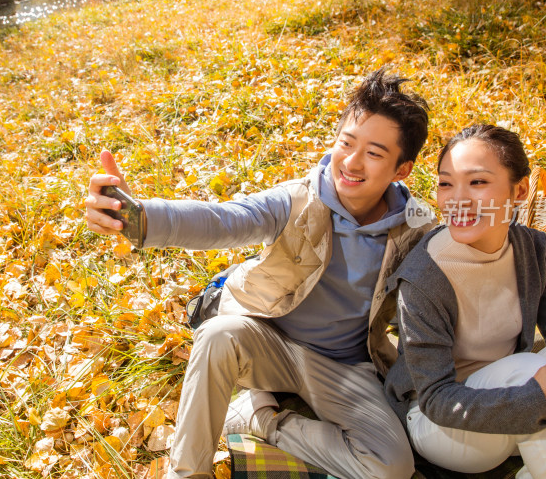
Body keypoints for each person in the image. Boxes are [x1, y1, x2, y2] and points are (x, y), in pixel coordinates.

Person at [85, 68, 435, 479]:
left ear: (401, 170)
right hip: (268, 341)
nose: (352, 162)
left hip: (344, 366)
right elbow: (225, 220)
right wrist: (141, 217)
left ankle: (260, 419)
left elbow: (446, 290)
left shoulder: (415, 230)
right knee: (217, 335)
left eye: (375, 154)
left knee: (391, 467)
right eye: (346, 143)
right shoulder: (298, 200)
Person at [384, 124, 546, 478]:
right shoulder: (423, 278)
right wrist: (534, 401)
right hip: (448, 427)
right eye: (446, 183)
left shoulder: (537, 249)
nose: (457, 200)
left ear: (520, 190)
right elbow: (436, 400)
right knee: (528, 371)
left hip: (522, 405)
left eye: (478, 182)